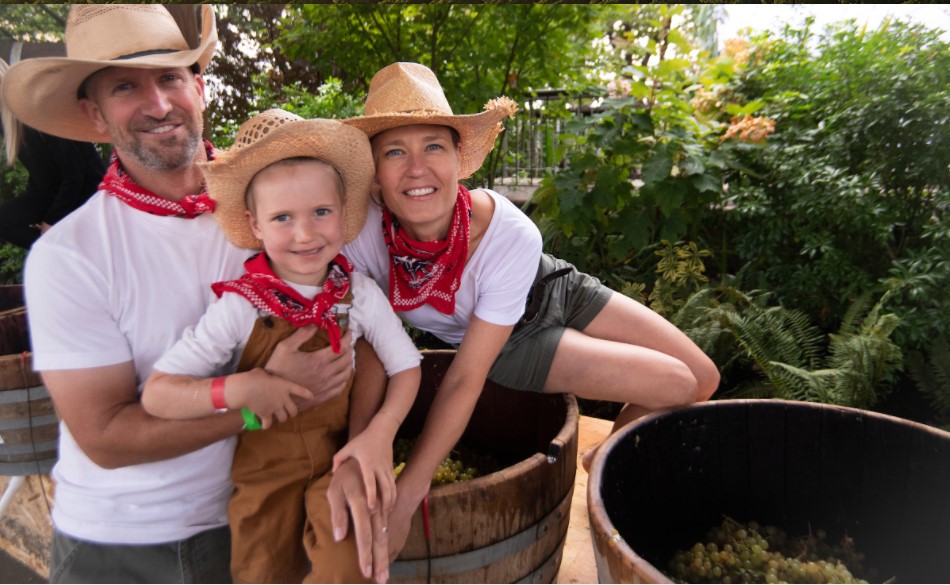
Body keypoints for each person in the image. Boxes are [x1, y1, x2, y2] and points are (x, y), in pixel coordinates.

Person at [1, 5, 387, 583]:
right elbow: (105, 436)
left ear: (200, 89)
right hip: (123, 546)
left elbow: (368, 330)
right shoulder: (72, 256)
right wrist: (267, 403)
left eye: (170, 78)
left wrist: (358, 451)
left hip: (265, 510)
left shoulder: (283, 211)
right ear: (95, 114)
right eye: (126, 87)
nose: (158, 105)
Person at [341, 62, 722, 558]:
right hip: (514, 344)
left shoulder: (510, 233)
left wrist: (406, 489)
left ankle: (600, 460)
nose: (416, 168)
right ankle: (611, 484)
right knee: (677, 384)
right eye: (395, 151)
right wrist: (387, 471)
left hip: (555, 283)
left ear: (459, 157)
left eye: (433, 145)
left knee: (705, 377)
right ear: (375, 170)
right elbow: (437, 367)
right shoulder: (361, 235)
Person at [140, 109, 422, 583]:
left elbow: (407, 367)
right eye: (283, 218)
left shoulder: (360, 294)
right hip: (263, 482)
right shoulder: (241, 306)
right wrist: (241, 389)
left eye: (321, 213)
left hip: (339, 465)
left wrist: (379, 433)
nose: (305, 233)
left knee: (351, 566)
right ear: (256, 226)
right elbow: (158, 394)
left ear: (344, 212)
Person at [0, 58, 105, 248]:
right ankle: (62, 252)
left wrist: (51, 220)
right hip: (55, 191)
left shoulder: (38, 110)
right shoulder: (7, 122)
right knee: (5, 220)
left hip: (87, 191)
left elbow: (75, 174)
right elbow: (42, 171)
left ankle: (67, 252)